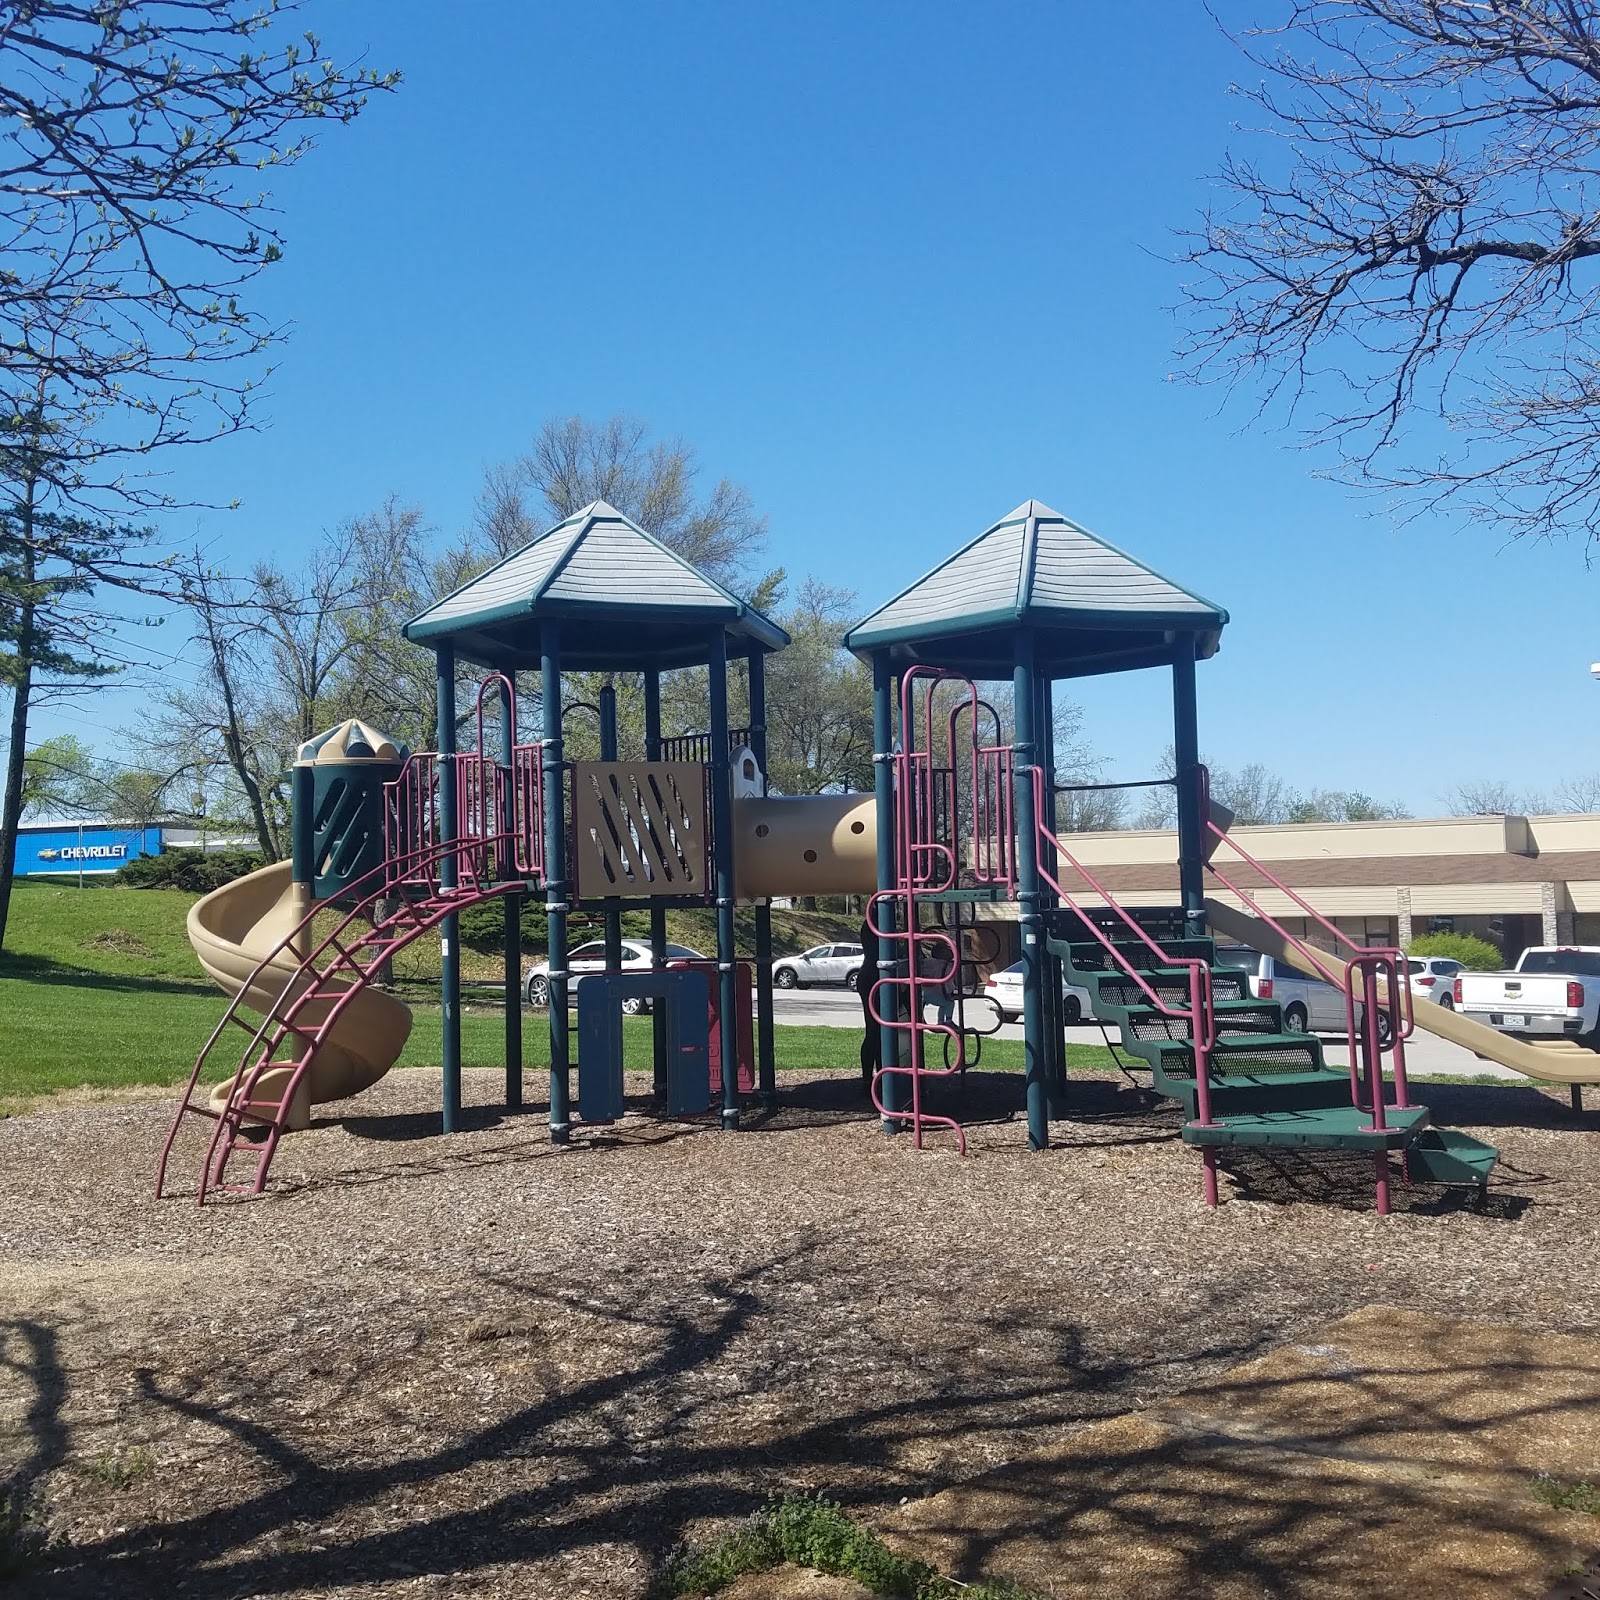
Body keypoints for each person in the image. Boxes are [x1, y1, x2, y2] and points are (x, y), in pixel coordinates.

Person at [857, 914, 880, 1089]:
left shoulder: (872, 922)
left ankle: (875, 1076)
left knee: (876, 1030)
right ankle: (871, 1077)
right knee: (875, 1030)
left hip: (871, 977)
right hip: (873, 978)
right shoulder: (876, 922)